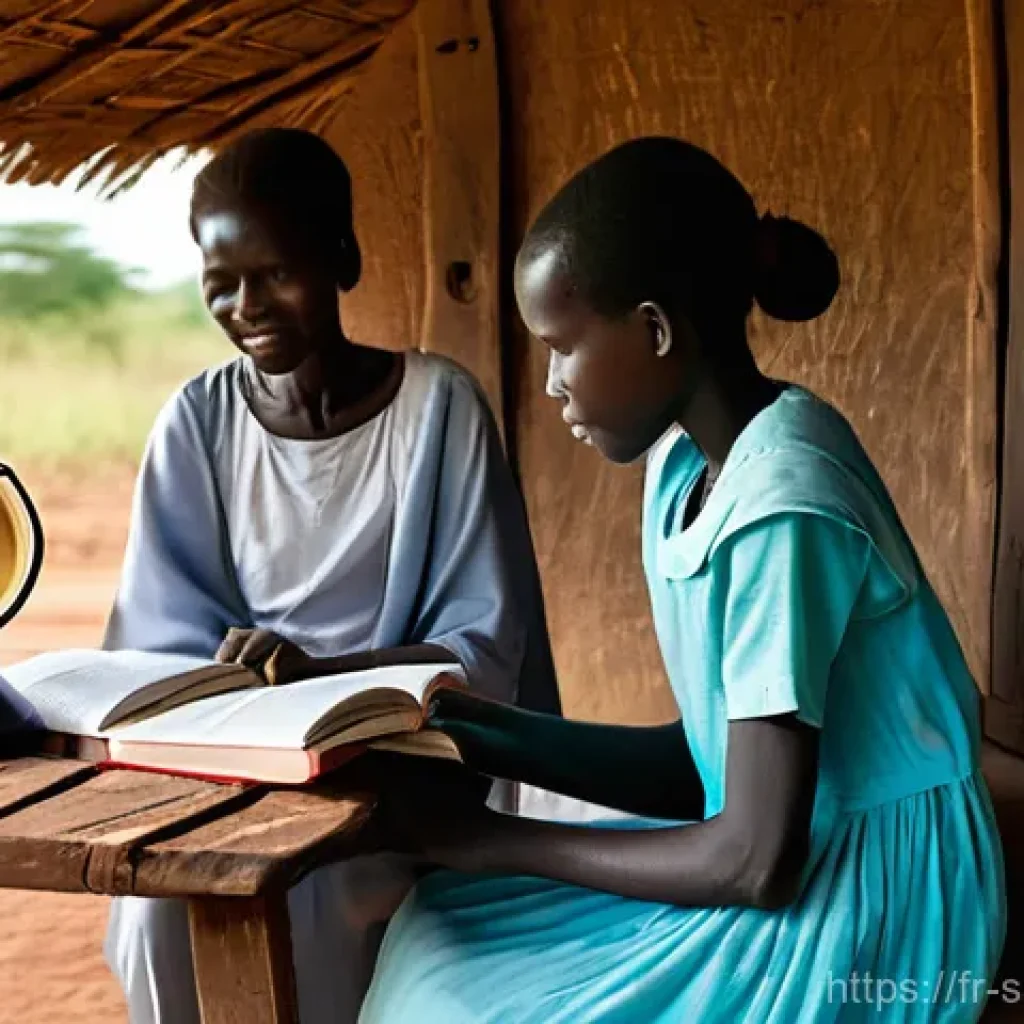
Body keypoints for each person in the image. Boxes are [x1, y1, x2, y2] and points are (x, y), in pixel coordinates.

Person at [359, 137, 1007, 1022]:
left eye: (563, 346)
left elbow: (756, 861)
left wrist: (487, 841)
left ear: (656, 331)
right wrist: (472, 730)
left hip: (875, 904)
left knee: (467, 1000)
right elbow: (699, 762)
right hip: (794, 853)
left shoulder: (783, 508)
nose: (551, 384)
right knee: (439, 931)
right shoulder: (684, 473)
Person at [101, 127, 558, 1024]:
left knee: (332, 882)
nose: (247, 306)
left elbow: (482, 645)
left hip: (398, 764)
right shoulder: (197, 423)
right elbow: (158, 642)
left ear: (341, 259)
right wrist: (249, 698)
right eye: (221, 283)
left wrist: (324, 678)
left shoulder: (438, 410)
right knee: (159, 905)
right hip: (231, 767)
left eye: (276, 273)